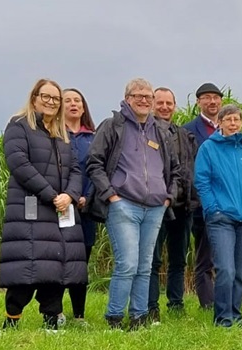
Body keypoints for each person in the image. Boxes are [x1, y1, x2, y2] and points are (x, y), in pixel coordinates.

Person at [87, 78, 179, 331]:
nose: (144, 100)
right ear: (127, 98)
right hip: (123, 203)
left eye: (148, 96)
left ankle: (139, 317)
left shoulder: (160, 131)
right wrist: (111, 195)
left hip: (155, 207)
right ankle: (115, 317)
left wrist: (168, 196)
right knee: (127, 263)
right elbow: (94, 163)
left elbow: (175, 169)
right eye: (138, 95)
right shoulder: (112, 126)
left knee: (144, 265)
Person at [0, 79, 87, 332]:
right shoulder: (18, 126)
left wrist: (69, 195)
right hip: (30, 209)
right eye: (45, 96)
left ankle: (51, 322)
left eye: (55, 98)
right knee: (26, 265)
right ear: (34, 97)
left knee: (55, 267)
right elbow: (19, 164)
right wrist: (51, 195)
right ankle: (11, 321)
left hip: (60, 210)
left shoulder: (62, 134)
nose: (50, 102)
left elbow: (75, 170)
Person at [194, 104, 242, 327]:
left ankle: (236, 315)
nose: (233, 124)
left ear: (241, 123)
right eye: (229, 120)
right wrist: (212, 209)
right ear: (221, 123)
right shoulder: (208, 148)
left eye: (237, 120)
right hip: (221, 218)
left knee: (239, 272)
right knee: (225, 269)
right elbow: (202, 181)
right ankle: (223, 318)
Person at [149, 87, 195, 316]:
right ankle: (151, 306)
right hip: (157, 205)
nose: (165, 107)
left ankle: (176, 304)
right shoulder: (145, 132)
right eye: (160, 103)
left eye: (169, 103)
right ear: (152, 104)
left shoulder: (184, 135)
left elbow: (191, 170)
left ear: (175, 106)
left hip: (182, 207)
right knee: (153, 260)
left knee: (178, 260)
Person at [184, 83, 224, 309]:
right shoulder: (189, 130)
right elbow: (187, 168)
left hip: (229, 203)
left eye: (216, 98)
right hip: (202, 204)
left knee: (226, 255)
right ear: (198, 102)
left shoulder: (230, 128)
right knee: (205, 256)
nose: (212, 102)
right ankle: (207, 304)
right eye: (207, 98)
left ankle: (226, 299)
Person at [61, 87, 96, 326]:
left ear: (83, 108)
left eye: (77, 101)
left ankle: (79, 315)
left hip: (86, 208)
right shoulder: (53, 135)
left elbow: (98, 171)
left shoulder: (92, 138)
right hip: (59, 207)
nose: (73, 104)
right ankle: (55, 311)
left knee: (81, 261)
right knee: (58, 260)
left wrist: (87, 197)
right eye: (68, 100)